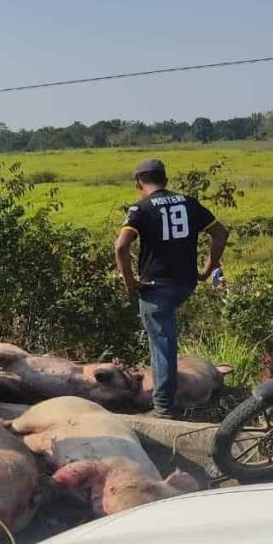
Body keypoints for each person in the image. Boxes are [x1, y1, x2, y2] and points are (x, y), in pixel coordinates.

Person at [115, 158, 229, 418]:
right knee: (164, 339)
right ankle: (169, 392)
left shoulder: (140, 209)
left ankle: (164, 407)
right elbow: (220, 233)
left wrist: (129, 281)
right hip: (185, 284)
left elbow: (121, 247)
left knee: (162, 344)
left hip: (156, 287)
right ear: (165, 181)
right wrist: (210, 266)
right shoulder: (189, 203)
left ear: (138, 183)